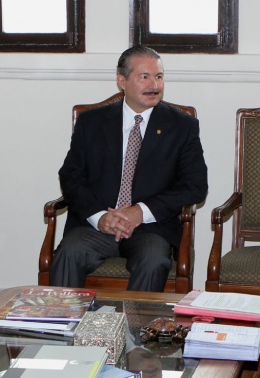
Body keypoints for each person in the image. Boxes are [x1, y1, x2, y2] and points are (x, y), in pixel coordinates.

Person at [50, 46, 209, 292]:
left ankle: (134, 319)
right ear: (122, 81)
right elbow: (71, 176)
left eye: (159, 76)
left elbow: (195, 186)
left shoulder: (182, 126)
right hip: (97, 225)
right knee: (69, 252)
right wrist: (99, 217)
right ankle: (62, 317)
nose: (154, 85)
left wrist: (141, 212)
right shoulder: (91, 122)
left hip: (151, 228)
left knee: (153, 261)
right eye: (144, 77)